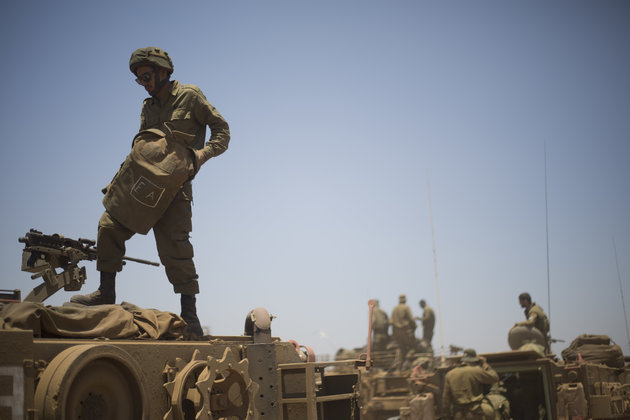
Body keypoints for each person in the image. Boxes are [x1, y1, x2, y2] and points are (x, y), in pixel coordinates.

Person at [71, 47, 230, 338]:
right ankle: (106, 294)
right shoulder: (147, 107)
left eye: (146, 76)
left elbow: (222, 131)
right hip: (142, 186)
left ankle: (190, 318)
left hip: (175, 190)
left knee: (177, 252)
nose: (143, 83)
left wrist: (202, 155)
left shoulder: (190, 96)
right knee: (108, 226)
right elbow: (140, 150)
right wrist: (119, 181)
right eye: (139, 79)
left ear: (163, 71)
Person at [442, 348, 499, 420]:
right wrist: (484, 364)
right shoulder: (476, 370)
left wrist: (447, 417)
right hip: (475, 414)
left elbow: (446, 400)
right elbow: (495, 377)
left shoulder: (449, 374)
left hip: (458, 415)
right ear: (474, 360)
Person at [391, 294, 416, 365]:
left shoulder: (394, 309)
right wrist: (414, 327)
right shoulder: (406, 308)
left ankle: (399, 366)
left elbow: (391, 321)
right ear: (405, 299)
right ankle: (407, 363)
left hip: (396, 332)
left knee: (402, 349)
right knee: (413, 348)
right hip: (405, 331)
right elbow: (411, 319)